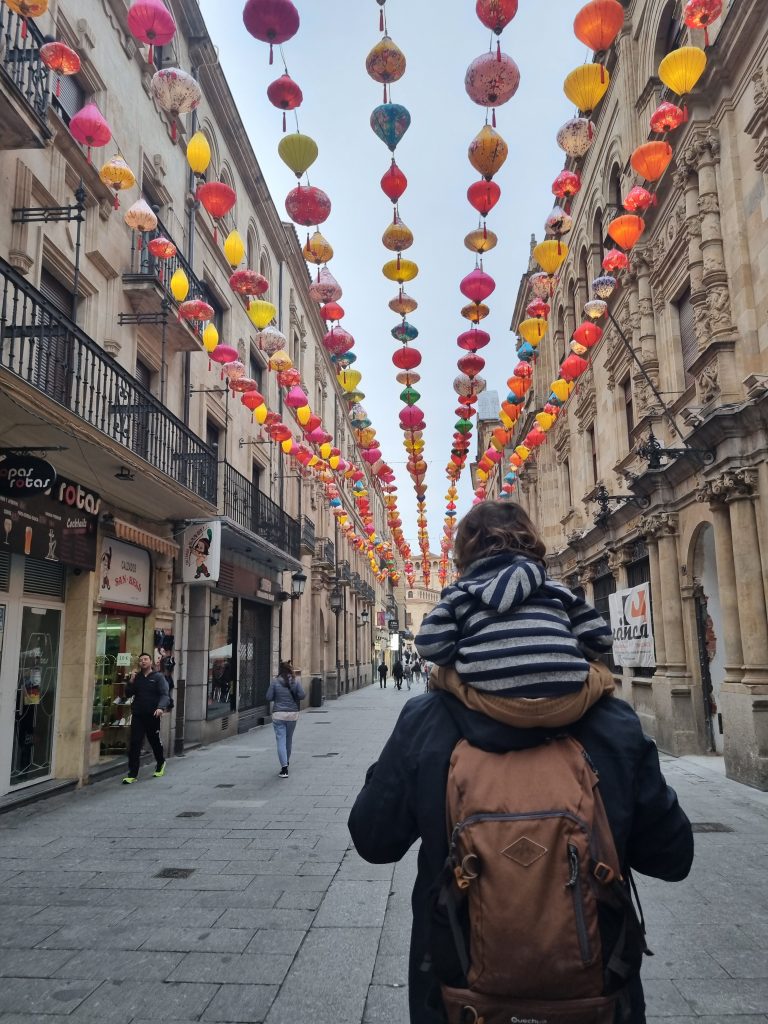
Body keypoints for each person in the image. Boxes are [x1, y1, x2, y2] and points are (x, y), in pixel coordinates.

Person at [348, 501, 693, 1024]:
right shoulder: (611, 721)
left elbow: (373, 840)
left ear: (463, 571)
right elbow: (672, 856)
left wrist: (395, 767)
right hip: (597, 998)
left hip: (459, 998)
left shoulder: (428, 722)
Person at [122, 652, 170, 784]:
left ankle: (160, 762)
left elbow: (165, 694)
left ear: (150, 662)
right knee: (135, 743)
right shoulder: (137, 678)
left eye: (145, 659)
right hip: (138, 715)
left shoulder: (158, 677)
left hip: (152, 715)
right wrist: (131, 681)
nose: (143, 661)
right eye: (141, 660)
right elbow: (128, 694)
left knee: (154, 741)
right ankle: (132, 774)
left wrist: (160, 708)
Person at [265, 660, 306, 778]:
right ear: (290, 670)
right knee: (289, 739)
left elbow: (268, 697)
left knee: (280, 741)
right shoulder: (295, 681)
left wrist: (277, 697)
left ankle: (284, 768)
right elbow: (302, 695)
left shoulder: (275, 682)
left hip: (278, 714)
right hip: (292, 714)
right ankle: (286, 761)